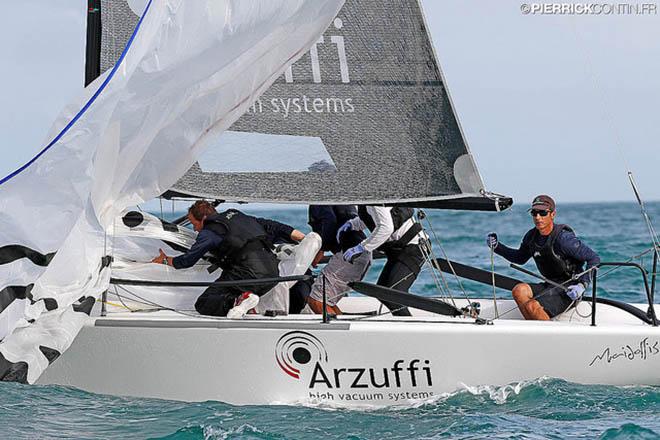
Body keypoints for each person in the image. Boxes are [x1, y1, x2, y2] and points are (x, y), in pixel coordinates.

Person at [152, 201, 305, 318]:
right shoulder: (238, 216)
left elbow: (188, 260)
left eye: (194, 224)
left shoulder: (209, 232)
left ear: (204, 218)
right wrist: (301, 237)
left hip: (248, 276)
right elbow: (271, 226)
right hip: (273, 274)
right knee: (230, 283)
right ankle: (247, 305)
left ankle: (239, 300)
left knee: (203, 303)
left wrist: (165, 260)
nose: (195, 229)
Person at [486, 195, 601, 320]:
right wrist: (497, 247)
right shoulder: (531, 237)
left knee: (532, 306)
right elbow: (520, 258)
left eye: (542, 213)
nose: (538, 217)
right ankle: (535, 331)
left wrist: (582, 285)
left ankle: (549, 336)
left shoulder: (564, 239)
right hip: (549, 285)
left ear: (552, 214)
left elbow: (594, 258)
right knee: (519, 291)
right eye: (534, 213)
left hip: (569, 289)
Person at [337, 206, 427, 316]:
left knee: (392, 294)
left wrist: (362, 247)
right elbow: (376, 218)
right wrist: (352, 224)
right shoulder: (369, 200)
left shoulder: (374, 201)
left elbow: (386, 228)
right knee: (384, 293)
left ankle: (410, 328)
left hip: (414, 247)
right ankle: (404, 324)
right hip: (401, 249)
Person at [305, 205, 372, 315]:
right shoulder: (341, 198)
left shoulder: (320, 200)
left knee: (316, 301)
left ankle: (337, 330)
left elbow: (328, 223)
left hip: (348, 254)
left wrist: (319, 252)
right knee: (326, 301)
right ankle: (341, 324)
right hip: (361, 253)